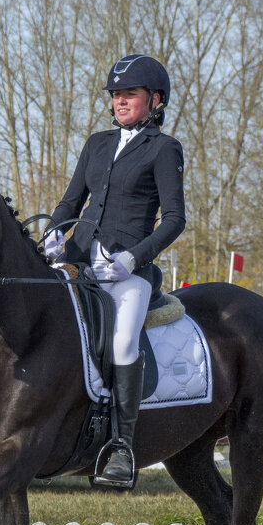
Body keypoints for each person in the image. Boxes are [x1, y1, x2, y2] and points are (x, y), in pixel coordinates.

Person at [44, 54, 187, 485]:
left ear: (155, 99)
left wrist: (134, 258)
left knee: (124, 344)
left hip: (127, 272)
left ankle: (122, 446)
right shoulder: (96, 144)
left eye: (130, 94)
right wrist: (54, 232)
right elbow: (72, 201)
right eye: (116, 95)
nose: (120, 101)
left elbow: (175, 219)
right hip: (79, 262)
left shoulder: (164, 149)